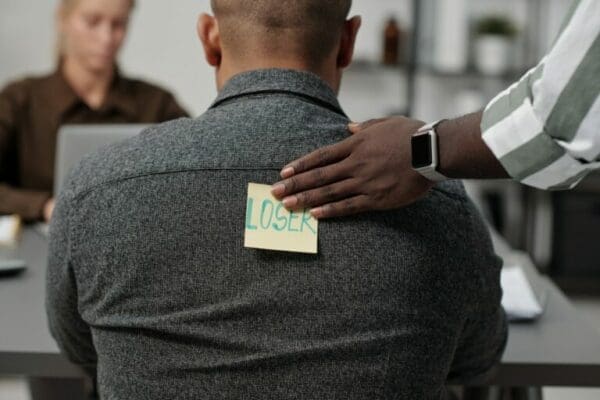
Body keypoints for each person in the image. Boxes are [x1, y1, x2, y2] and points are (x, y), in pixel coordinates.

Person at [47, 1, 506, 398]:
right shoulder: (439, 203)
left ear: (210, 37)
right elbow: (478, 357)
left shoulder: (94, 189)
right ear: (348, 42)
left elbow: (77, 346)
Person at [271, 0, 600, 219]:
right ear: (348, 43)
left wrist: (421, 150)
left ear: (215, 41)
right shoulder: (448, 212)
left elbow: (562, 116)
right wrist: (424, 151)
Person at [0, 0, 188, 223]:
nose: (106, 38)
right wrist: (44, 206)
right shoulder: (19, 101)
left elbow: (198, 175)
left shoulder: (158, 104)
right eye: (92, 22)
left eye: (118, 24)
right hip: (41, 247)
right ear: (63, 19)